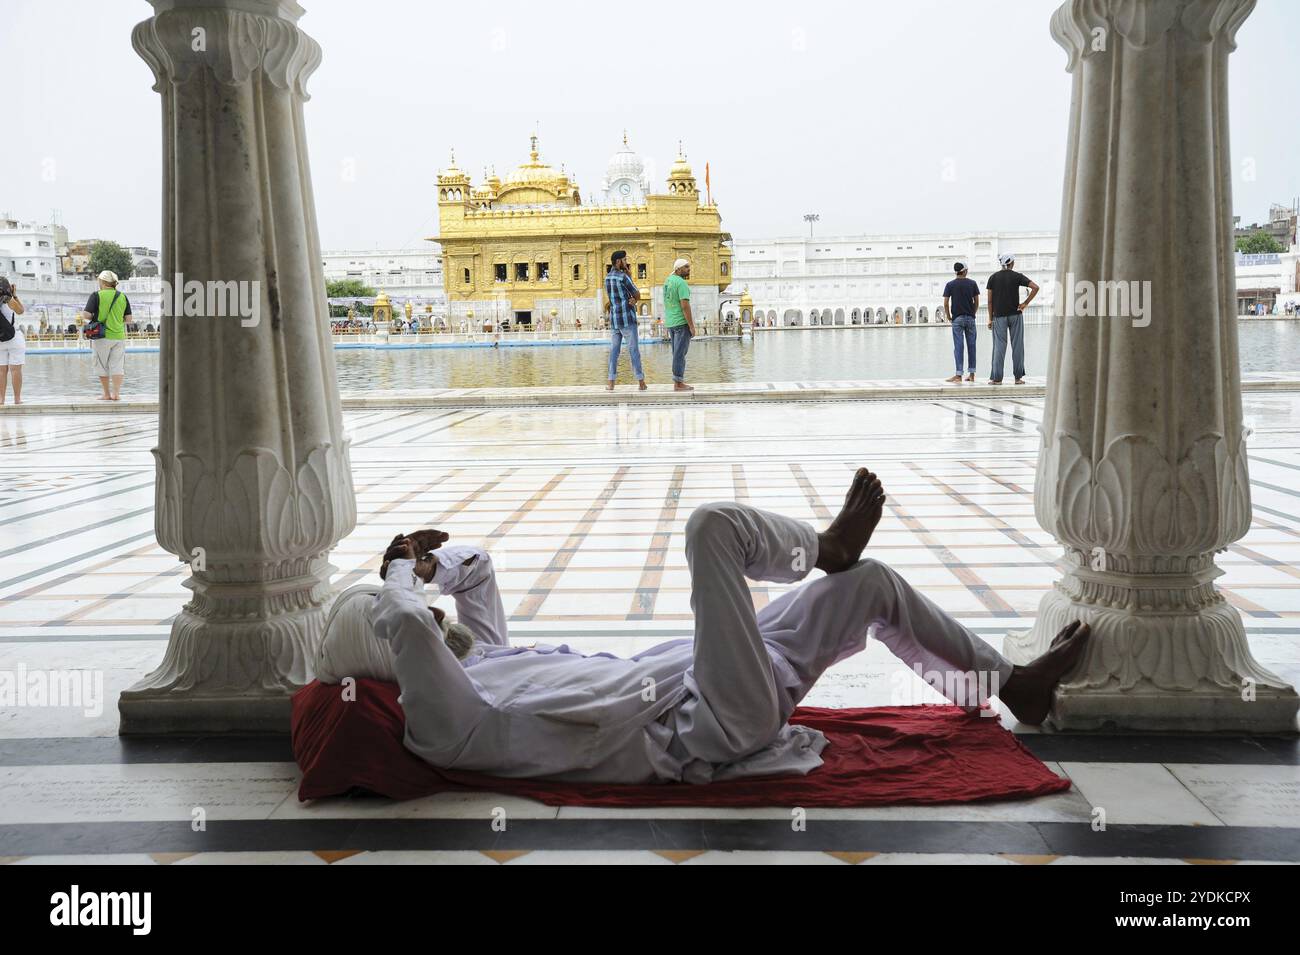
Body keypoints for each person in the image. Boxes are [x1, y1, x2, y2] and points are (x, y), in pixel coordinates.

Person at [319, 468, 1092, 785]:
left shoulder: (480, 664)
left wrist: (430, 561)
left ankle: (1006, 686)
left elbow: (478, 567)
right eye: (412, 618)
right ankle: (825, 547)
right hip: (712, 722)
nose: (434, 619)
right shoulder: (443, 724)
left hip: (722, 674)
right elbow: (411, 629)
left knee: (872, 587)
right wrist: (394, 572)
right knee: (711, 528)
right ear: (387, 645)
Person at [79, 270, 132, 401]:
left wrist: (95, 317)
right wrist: (116, 321)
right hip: (118, 336)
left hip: (101, 336)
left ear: (102, 282)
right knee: (117, 365)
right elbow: (129, 319)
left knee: (102, 365)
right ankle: (117, 394)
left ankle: (106, 394)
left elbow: (86, 315)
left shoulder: (96, 295)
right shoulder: (122, 296)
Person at [986, 253, 1038, 385]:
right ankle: (1018, 378)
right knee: (1018, 346)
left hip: (999, 316)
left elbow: (990, 301)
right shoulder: (1017, 276)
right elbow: (1035, 287)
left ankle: (997, 379)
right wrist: (1025, 303)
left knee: (999, 347)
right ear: (1012, 263)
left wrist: (990, 319)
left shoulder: (993, 278)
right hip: (1016, 315)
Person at [603, 250, 646, 391]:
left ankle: (611, 382)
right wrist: (629, 276)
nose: (626, 262)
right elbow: (637, 294)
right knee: (633, 350)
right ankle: (641, 382)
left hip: (615, 320)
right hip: (627, 318)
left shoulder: (607, 278)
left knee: (614, 351)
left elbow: (612, 299)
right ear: (618, 262)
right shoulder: (623, 277)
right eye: (624, 260)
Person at [941, 262, 980, 383]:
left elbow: (946, 303)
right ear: (965, 271)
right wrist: (973, 313)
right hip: (970, 318)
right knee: (972, 346)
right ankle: (972, 375)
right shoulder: (972, 283)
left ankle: (958, 375)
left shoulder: (950, 285)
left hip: (957, 319)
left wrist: (949, 316)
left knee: (958, 346)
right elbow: (977, 301)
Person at [664, 258, 695, 391]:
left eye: (689, 267)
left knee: (676, 353)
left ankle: (677, 381)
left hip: (671, 322)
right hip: (681, 322)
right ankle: (678, 383)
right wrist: (692, 326)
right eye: (686, 267)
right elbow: (685, 306)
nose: (689, 269)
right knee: (680, 354)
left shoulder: (668, 281)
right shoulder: (681, 283)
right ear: (678, 269)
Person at [0, 278, 25, 405]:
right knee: (15, 370)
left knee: (1, 371)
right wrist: (15, 295)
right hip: (14, 337)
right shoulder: (8, 300)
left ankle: (1, 399)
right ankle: (17, 398)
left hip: (0, 341)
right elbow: (20, 311)